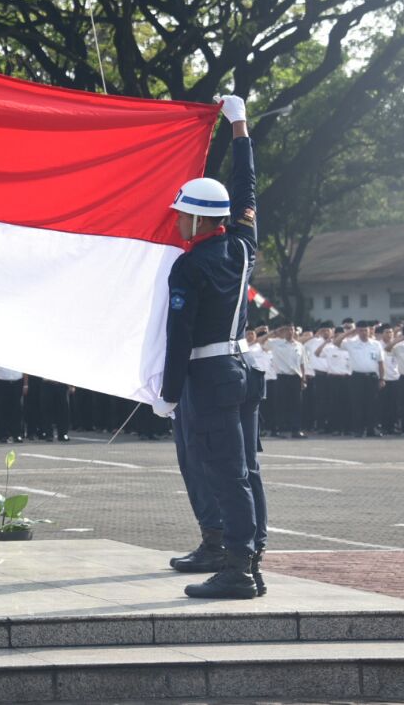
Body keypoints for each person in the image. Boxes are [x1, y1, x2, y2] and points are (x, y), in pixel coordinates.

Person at [152, 93, 265, 600]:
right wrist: (238, 127)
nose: (176, 222)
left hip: (207, 378)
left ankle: (238, 566)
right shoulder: (242, 246)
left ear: (198, 221)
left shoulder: (190, 266)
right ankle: (239, 552)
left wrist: (168, 392)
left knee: (224, 472)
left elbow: (180, 337)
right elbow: (247, 190)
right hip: (237, 369)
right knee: (239, 469)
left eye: (182, 215)